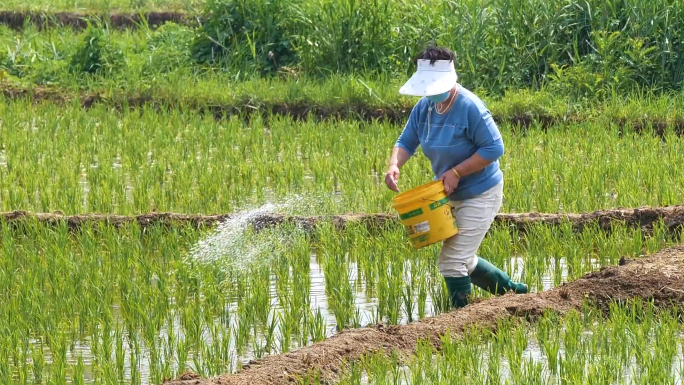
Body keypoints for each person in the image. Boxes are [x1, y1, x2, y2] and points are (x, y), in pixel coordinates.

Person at [385, 46, 527, 308]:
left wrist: (457, 171)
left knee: (451, 260)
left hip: (480, 194)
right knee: (465, 258)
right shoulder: (425, 107)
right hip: (448, 196)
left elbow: (494, 148)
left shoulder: (469, 107)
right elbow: (407, 140)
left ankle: (461, 319)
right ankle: (516, 293)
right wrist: (395, 165)